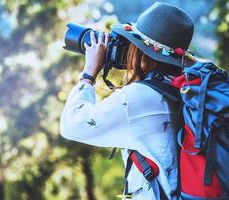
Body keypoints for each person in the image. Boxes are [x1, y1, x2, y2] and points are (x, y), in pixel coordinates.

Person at [60, 2, 194, 200]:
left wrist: (89, 73)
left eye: (133, 44)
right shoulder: (184, 88)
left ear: (143, 54)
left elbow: (72, 125)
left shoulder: (138, 98)